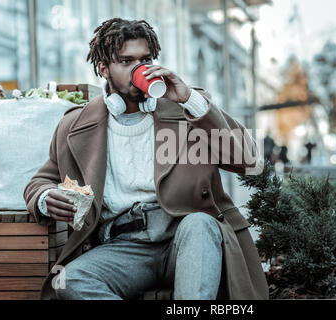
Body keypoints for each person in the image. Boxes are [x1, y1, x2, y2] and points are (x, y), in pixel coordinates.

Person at [23, 18, 268, 300]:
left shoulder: (188, 111)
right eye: (126, 62)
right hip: (122, 246)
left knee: (200, 224)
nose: (139, 69)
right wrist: (44, 196)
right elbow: (42, 179)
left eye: (146, 59)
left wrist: (189, 99)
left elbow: (249, 160)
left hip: (184, 236)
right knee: (69, 281)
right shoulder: (75, 125)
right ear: (103, 69)